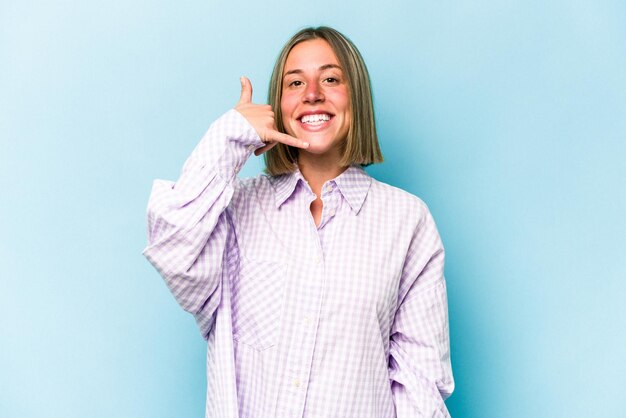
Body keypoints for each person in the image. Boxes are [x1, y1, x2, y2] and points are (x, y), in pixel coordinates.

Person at [143, 26, 454, 418]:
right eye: (295, 82)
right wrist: (229, 137)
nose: (312, 94)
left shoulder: (407, 221)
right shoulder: (235, 209)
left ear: (355, 97)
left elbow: (420, 384)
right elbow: (172, 247)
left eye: (330, 78)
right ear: (279, 104)